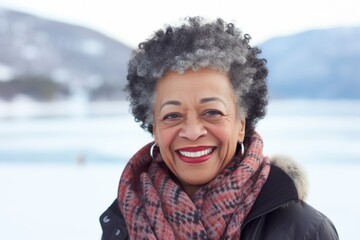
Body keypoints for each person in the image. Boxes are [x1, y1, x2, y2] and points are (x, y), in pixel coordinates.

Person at [100, 17, 338, 239]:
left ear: (241, 125)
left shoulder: (305, 230)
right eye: (172, 115)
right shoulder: (124, 223)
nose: (192, 132)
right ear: (154, 128)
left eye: (212, 112)